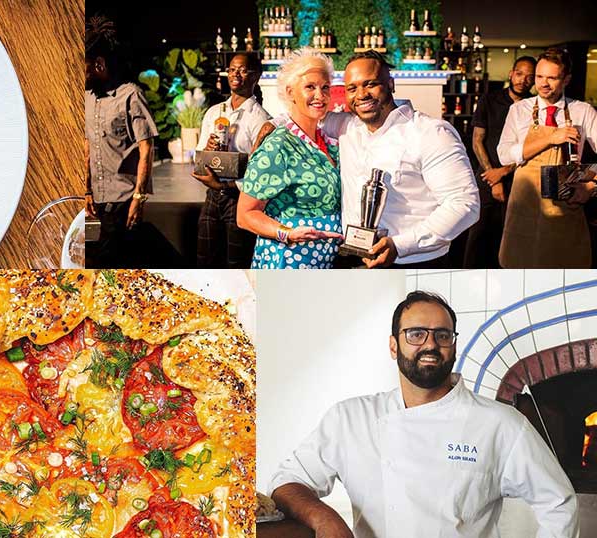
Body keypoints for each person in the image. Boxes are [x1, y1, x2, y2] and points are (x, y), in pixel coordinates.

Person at [270, 291, 578, 538]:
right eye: (416, 334)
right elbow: (287, 482)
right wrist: (325, 519)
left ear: (454, 346)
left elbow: (559, 503)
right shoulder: (350, 418)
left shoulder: (501, 424)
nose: (430, 344)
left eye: (442, 335)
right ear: (394, 346)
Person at [321, 50, 480, 269]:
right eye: (352, 88)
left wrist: (401, 245)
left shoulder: (430, 133)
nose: (361, 94)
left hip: (412, 261)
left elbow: (464, 204)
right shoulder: (346, 126)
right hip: (351, 256)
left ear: (391, 84)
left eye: (370, 84)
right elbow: (303, 116)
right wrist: (272, 123)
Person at [236, 48, 343, 268]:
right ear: (290, 92)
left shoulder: (328, 141)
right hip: (288, 259)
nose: (320, 96)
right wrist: (287, 234)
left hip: (323, 259)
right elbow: (245, 215)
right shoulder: (279, 145)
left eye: (325, 88)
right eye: (310, 87)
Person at [497, 47, 597, 268]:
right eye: (540, 76)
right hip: (525, 207)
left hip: (565, 208)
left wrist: (590, 186)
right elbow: (504, 155)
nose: (543, 83)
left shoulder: (583, 111)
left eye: (552, 78)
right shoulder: (519, 110)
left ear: (566, 79)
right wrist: (551, 137)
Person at [85, 16, 157, 268]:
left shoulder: (130, 95)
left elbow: (146, 149)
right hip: (97, 198)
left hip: (123, 199)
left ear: (99, 64)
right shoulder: (87, 97)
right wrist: (85, 190)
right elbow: (87, 147)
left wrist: (139, 197)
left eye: (83, 66)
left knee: (119, 264)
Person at [191, 52, 270, 269]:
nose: (236, 74)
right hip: (212, 196)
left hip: (241, 199)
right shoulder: (214, 112)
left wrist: (226, 186)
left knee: (237, 263)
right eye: (233, 69)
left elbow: (261, 170)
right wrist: (207, 151)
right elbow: (199, 157)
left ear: (256, 76)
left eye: (243, 70)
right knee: (204, 260)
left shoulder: (261, 119)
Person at [463, 56, 536, 268]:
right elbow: (477, 141)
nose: (524, 80)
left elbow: (531, 148)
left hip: (518, 177)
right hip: (486, 176)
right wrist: (494, 178)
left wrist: (504, 172)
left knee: (510, 235)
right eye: (520, 74)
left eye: (530, 77)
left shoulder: (533, 107)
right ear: (512, 73)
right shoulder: (489, 99)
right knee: (477, 234)